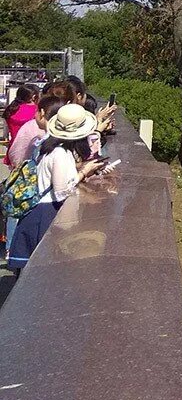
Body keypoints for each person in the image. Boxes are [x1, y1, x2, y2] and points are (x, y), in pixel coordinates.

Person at [7, 104, 107, 275]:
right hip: (45, 214)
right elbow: (62, 191)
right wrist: (83, 172)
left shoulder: (49, 146)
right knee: (41, 271)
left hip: (36, 212)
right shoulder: (60, 153)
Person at [3, 95, 64, 259]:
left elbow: (15, 149)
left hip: (27, 189)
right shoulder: (58, 149)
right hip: (44, 207)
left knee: (14, 213)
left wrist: (17, 166)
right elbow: (61, 191)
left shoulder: (37, 139)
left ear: (43, 113)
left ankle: (9, 247)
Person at [3, 85, 38, 168]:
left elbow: (6, 131)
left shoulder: (11, 109)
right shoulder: (36, 110)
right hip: (31, 150)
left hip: (14, 149)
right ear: (34, 97)